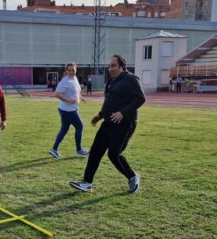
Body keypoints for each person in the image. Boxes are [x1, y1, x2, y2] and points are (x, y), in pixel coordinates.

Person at [69, 54, 146, 194]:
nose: (110, 68)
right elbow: (109, 102)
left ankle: (133, 177)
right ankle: (87, 182)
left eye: (113, 66)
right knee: (95, 151)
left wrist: (122, 113)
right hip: (108, 122)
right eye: (109, 66)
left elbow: (140, 99)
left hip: (125, 123)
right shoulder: (111, 81)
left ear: (122, 66)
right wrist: (100, 115)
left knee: (113, 154)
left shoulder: (131, 79)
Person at [49, 62, 90, 159]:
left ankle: (54, 149)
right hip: (68, 110)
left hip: (68, 109)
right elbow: (57, 94)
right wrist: (69, 100)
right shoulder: (65, 81)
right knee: (80, 126)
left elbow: (76, 92)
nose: (71, 72)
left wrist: (81, 97)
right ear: (66, 70)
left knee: (64, 129)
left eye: (73, 70)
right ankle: (79, 150)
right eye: (69, 70)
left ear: (76, 70)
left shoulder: (74, 78)